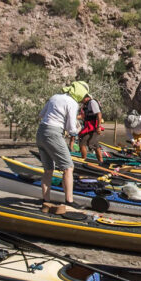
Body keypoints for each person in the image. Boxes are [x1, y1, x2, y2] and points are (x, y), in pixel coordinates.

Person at [36, 80, 85, 210]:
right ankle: (69, 201)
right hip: (54, 133)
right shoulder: (73, 103)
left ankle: (45, 201)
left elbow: (41, 115)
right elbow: (71, 129)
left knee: (48, 170)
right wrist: (78, 130)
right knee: (68, 168)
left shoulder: (55, 97)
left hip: (40, 132)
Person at [76, 88, 105, 164]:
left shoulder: (92, 102)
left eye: (82, 98)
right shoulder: (86, 105)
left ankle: (100, 161)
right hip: (88, 126)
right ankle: (84, 160)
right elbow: (83, 116)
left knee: (92, 143)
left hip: (94, 126)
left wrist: (98, 127)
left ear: (87, 98)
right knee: (82, 142)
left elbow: (99, 114)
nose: (81, 100)